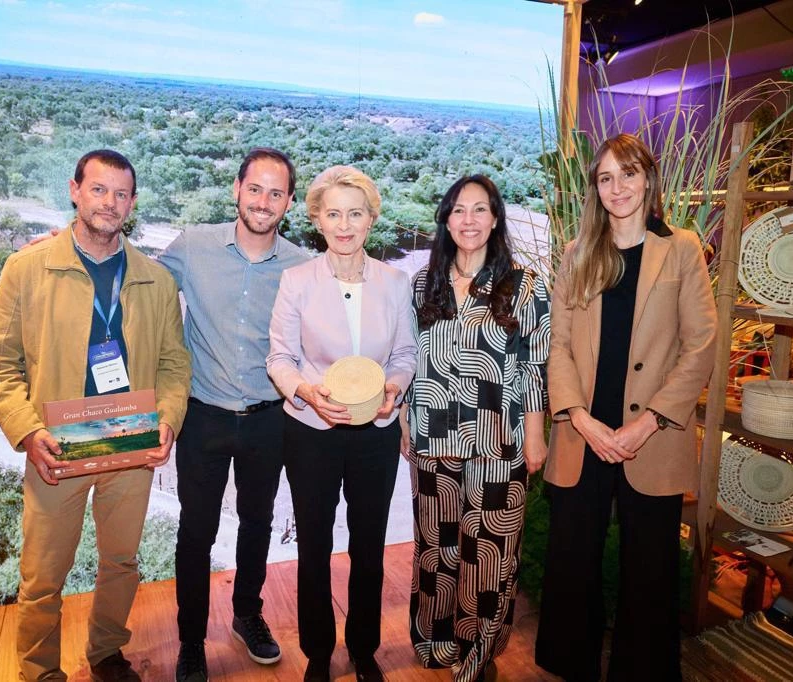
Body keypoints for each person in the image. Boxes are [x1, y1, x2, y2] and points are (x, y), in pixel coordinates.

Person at [0, 149, 192, 682]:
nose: (110, 203)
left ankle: (105, 653)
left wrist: (168, 419)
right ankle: (39, 670)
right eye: (98, 189)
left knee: (121, 562)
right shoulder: (28, 268)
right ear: (74, 191)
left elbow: (173, 364)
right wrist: (27, 431)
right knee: (43, 574)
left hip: (129, 437)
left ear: (133, 203)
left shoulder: (155, 279)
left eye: (121, 194)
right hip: (56, 441)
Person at [534, 134, 716, 681]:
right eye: (606, 177)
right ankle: (572, 664)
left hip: (652, 438)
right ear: (595, 187)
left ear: (648, 179)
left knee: (650, 570)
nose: (618, 188)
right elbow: (558, 344)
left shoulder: (681, 248)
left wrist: (649, 421)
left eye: (628, 174)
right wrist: (579, 417)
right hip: (581, 434)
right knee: (572, 563)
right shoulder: (577, 252)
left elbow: (701, 343)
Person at [157, 148, 310, 682]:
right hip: (203, 415)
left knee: (258, 523)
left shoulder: (300, 266)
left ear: (288, 202)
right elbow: (135, 284)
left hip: (270, 418)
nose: (263, 202)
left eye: (276, 193)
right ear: (237, 190)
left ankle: (247, 614)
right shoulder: (192, 248)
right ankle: (192, 641)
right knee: (195, 532)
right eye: (255, 189)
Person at [266, 166, 417, 682]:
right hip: (312, 431)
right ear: (317, 220)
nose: (345, 224)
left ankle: (364, 649)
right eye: (333, 213)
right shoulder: (296, 281)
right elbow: (280, 359)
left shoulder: (397, 284)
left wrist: (393, 388)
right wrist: (306, 391)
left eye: (355, 213)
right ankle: (317, 654)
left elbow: (405, 354)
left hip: (375, 435)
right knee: (313, 545)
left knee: (369, 546)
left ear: (371, 220)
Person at [401, 174, 550, 682]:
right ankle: (436, 641)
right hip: (431, 440)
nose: (469, 220)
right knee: (435, 547)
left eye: (480, 209)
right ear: (445, 218)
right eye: (459, 210)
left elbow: (533, 366)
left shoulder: (524, 284)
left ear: (495, 219)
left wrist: (535, 434)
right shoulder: (423, 283)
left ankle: (477, 652)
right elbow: (411, 359)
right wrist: (405, 420)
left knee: (488, 552)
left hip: (497, 442)